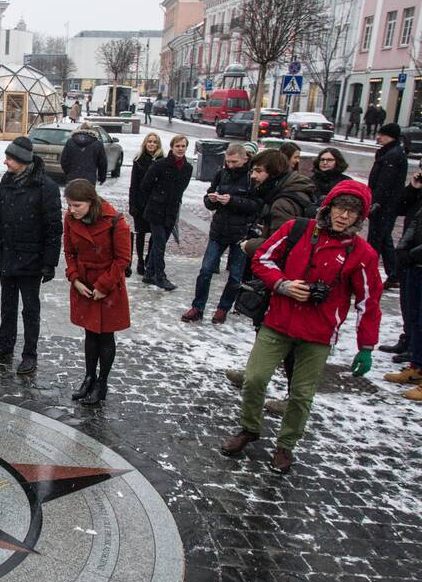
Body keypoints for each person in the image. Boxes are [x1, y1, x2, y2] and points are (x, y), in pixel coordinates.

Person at [221, 181, 382, 473]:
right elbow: (262, 258)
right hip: (279, 321)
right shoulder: (299, 229)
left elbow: (368, 301)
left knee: (301, 394)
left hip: (317, 334)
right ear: (329, 207)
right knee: (255, 378)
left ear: (360, 218)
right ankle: (249, 428)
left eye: (352, 213)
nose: (344, 216)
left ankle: (286, 445)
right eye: (341, 208)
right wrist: (282, 284)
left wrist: (366, 346)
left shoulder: (363, 254)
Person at [0, 137, 62, 374]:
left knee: (30, 309)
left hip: (31, 258)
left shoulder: (46, 187)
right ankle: (5, 345)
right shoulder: (7, 180)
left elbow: (53, 228)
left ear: (22, 161)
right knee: (7, 306)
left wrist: (49, 263)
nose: (5, 161)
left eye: (9, 158)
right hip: (7, 254)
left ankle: (30, 354)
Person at [63, 178, 131, 406]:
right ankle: (88, 377)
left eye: (77, 206)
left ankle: (102, 383)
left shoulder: (115, 221)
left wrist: (103, 286)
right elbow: (69, 252)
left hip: (108, 285)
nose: (72, 210)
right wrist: (74, 279)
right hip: (84, 283)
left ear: (91, 202)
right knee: (90, 333)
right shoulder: (70, 219)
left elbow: (123, 259)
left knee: (105, 335)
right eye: (69, 205)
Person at [181, 144, 261, 324]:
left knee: (235, 275)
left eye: (235, 162)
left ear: (244, 159)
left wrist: (233, 201)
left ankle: (223, 308)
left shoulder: (252, 178)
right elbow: (209, 198)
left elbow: (256, 206)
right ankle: (198, 307)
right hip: (219, 230)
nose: (231, 165)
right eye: (228, 161)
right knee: (205, 270)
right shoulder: (221, 174)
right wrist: (211, 199)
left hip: (241, 233)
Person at [383, 170, 422, 399]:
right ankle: (416, 365)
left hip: (416, 259)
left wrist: (414, 254)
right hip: (412, 263)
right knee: (414, 316)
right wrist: (413, 187)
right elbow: (401, 210)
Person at [141, 134, 192, 291]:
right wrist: (158, 196)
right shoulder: (160, 164)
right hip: (156, 210)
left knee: (159, 243)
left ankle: (149, 273)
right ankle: (159, 276)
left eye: (183, 146)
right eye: (177, 146)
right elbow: (145, 185)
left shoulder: (188, 168)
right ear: (172, 147)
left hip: (171, 211)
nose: (180, 149)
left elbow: (181, 189)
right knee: (160, 244)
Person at [367, 123, 409, 289]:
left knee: (375, 241)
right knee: (384, 239)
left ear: (389, 136)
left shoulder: (392, 155)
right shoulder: (392, 152)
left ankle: (370, 276)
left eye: (381, 134)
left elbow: (384, 182)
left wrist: (375, 202)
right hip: (387, 205)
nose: (378, 137)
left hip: (384, 206)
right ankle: (393, 274)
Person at [129, 133, 163, 276]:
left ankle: (149, 258)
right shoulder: (138, 160)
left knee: (154, 234)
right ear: (145, 143)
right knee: (141, 233)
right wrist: (132, 204)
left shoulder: (162, 161)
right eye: (149, 141)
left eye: (154, 142)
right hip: (141, 202)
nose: (151, 144)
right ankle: (140, 261)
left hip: (155, 204)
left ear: (158, 144)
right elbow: (134, 185)